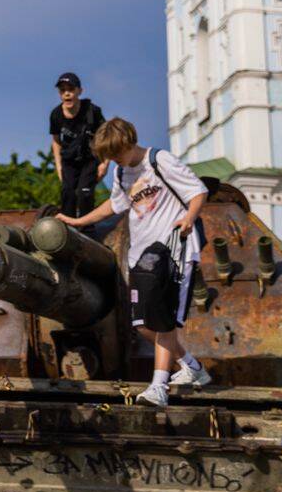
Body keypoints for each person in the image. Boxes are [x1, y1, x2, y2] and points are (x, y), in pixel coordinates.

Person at [57, 118, 212, 407]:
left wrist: (189, 218)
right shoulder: (121, 173)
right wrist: (78, 221)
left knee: (164, 322)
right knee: (142, 325)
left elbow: (198, 191)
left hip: (173, 251)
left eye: (117, 152)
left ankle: (159, 388)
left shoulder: (159, 161)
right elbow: (115, 205)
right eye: (110, 155)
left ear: (129, 142)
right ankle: (192, 367)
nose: (115, 159)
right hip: (142, 257)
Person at [48, 72, 107, 218]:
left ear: (79, 91)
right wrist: (59, 167)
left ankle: (87, 229)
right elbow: (56, 141)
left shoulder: (92, 111)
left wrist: (105, 164)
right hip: (69, 161)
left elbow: (106, 137)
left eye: (71, 89)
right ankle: (68, 228)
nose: (67, 94)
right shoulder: (56, 114)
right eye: (62, 90)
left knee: (84, 193)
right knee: (67, 193)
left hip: (89, 159)